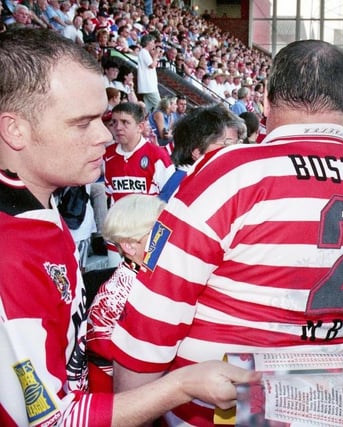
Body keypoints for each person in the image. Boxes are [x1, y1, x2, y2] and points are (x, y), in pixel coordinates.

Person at [111, 39, 343, 426]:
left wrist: (131, 407)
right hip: (325, 408)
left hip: (215, 411)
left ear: (266, 102)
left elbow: (161, 301)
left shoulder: (232, 171)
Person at [0, 27, 259, 427]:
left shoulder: (39, 207)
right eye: (82, 123)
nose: (106, 136)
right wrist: (180, 387)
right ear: (15, 129)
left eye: (103, 119)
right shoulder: (8, 251)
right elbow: (47, 421)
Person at [86, 194, 166, 393]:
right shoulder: (117, 297)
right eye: (159, 232)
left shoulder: (152, 274)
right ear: (129, 245)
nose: (169, 237)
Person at [159, 104, 246, 202]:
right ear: (198, 152)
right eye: (228, 144)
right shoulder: (179, 191)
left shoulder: (209, 181)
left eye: (238, 144)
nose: (236, 151)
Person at [103, 102, 175, 203]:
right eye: (114, 122)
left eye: (125, 122)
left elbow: (171, 196)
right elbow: (109, 192)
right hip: (118, 217)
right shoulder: (108, 154)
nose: (118, 127)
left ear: (140, 127)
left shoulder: (158, 156)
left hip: (149, 217)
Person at [137, 33, 161, 114]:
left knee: (149, 109)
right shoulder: (143, 52)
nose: (154, 44)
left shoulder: (146, 53)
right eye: (153, 42)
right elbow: (152, 65)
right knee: (160, 106)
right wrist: (156, 55)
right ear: (148, 42)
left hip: (150, 86)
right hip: (149, 86)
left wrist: (155, 55)